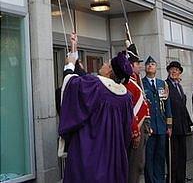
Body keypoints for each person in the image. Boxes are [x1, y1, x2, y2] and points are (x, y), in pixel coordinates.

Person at [58, 34, 134, 183]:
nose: (104, 63)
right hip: (113, 156)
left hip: (89, 151)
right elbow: (126, 132)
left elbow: (72, 84)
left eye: (108, 63)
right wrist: (74, 49)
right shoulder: (126, 97)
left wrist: (69, 65)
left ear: (110, 71)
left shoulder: (95, 86)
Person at [142, 56, 172, 183]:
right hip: (149, 127)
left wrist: (169, 126)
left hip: (161, 126)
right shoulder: (141, 84)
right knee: (149, 157)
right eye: (148, 64)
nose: (150, 66)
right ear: (145, 67)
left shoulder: (162, 84)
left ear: (156, 67)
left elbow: (167, 105)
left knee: (160, 157)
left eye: (153, 64)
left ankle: (159, 180)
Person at [125, 42, 150, 183]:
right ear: (130, 66)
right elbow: (132, 109)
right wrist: (136, 131)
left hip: (142, 127)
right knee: (135, 165)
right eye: (137, 64)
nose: (139, 66)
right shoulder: (129, 83)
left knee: (140, 164)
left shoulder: (135, 81)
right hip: (136, 128)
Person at [165, 61, 193, 183]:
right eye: (172, 69)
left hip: (182, 126)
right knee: (173, 157)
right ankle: (173, 179)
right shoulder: (166, 85)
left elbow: (183, 106)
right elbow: (166, 107)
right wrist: (168, 124)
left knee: (182, 155)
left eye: (176, 70)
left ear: (180, 72)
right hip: (172, 127)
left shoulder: (179, 86)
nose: (174, 71)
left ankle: (181, 178)